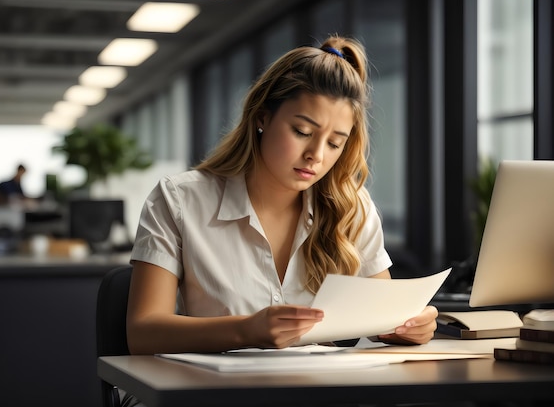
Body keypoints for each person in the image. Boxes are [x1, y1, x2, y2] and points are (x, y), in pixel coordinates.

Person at [126, 36, 438, 357]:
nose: (315, 155)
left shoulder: (352, 206)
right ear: (262, 117)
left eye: (334, 143)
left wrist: (407, 327)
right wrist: (245, 330)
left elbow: (383, 319)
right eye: (302, 132)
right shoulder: (179, 199)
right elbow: (143, 333)